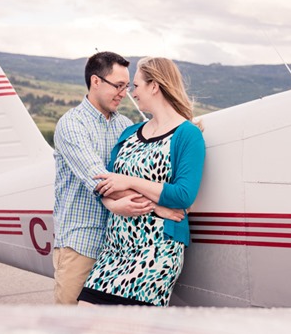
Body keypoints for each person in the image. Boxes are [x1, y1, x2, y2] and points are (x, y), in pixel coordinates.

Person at [77, 56, 206, 307]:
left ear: (154, 86)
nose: (131, 93)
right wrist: (152, 204)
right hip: (115, 249)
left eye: (135, 86)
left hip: (157, 252)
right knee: (84, 319)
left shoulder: (187, 135)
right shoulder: (129, 134)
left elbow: (183, 195)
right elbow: (107, 186)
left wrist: (129, 182)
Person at [52, 51, 134, 305]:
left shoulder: (126, 125)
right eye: (118, 86)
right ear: (96, 81)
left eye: (127, 87)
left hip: (119, 248)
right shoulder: (72, 124)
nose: (123, 93)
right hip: (81, 245)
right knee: (70, 324)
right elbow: (99, 180)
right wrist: (161, 201)